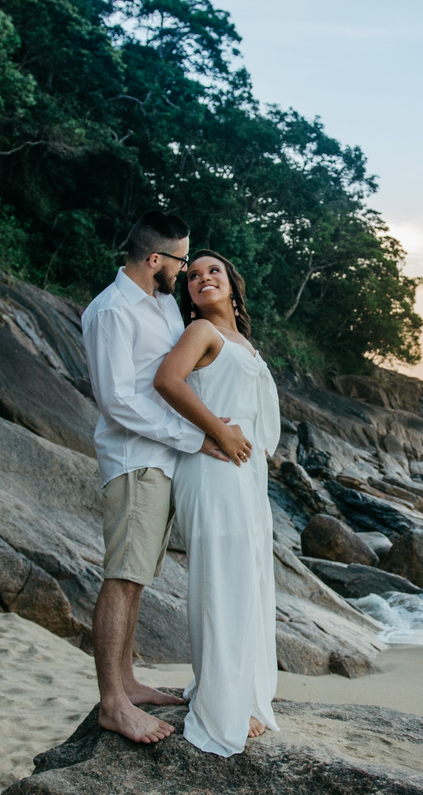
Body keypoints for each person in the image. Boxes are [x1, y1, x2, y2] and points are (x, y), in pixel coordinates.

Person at [80, 213, 253, 744]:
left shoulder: (158, 306)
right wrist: (194, 438)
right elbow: (117, 401)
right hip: (137, 460)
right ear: (155, 259)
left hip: (164, 461)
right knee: (123, 577)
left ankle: (128, 681)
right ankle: (112, 702)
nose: (184, 271)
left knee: (138, 577)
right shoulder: (111, 311)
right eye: (181, 261)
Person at [153, 250, 281, 757]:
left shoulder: (243, 342)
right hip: (213, 468)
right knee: (222, 581)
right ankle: (219, 704)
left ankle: (243, 693)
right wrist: (217, 432)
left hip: (246, 474)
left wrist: (239, 445)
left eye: (213, 272)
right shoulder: (200, 332)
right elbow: (167, 381)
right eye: (192, 275)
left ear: (232, 285)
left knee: (248, 579)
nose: (203, 279)